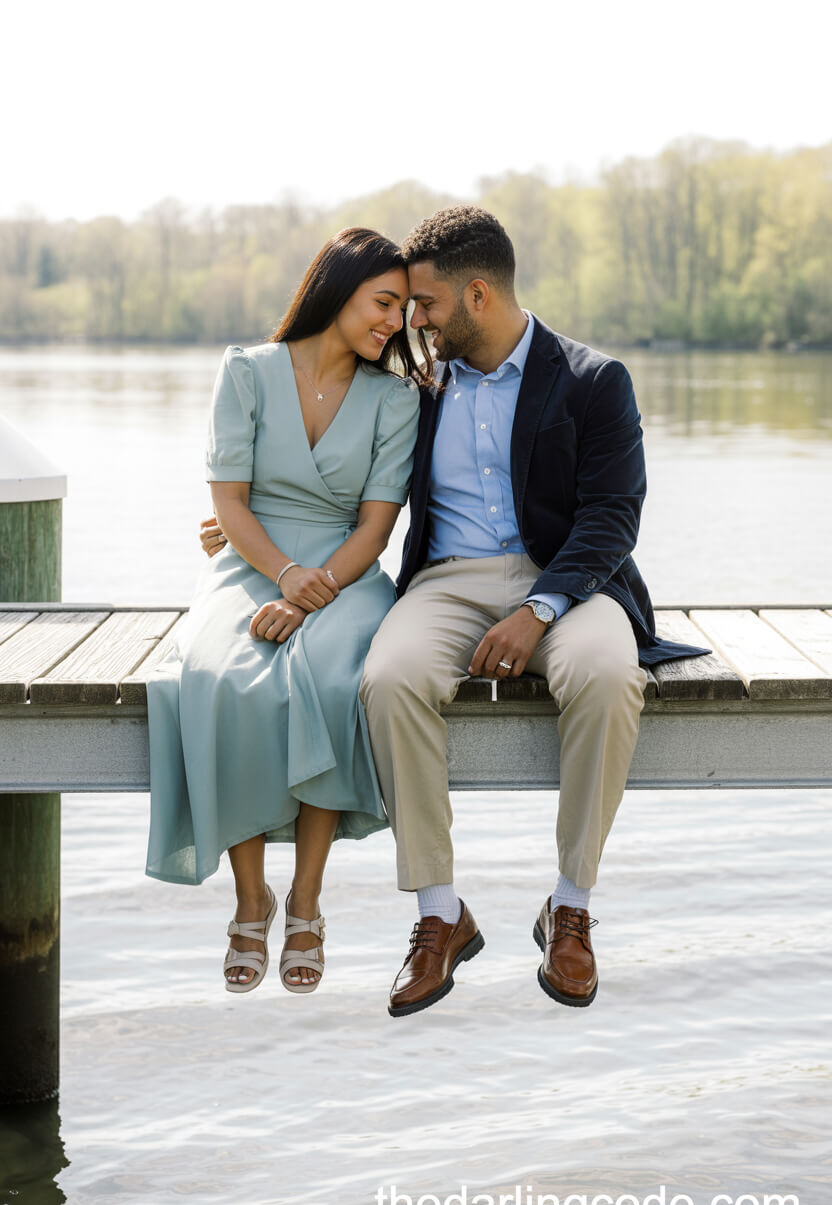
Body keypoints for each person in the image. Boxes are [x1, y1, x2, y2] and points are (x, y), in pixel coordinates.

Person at [355, 206, 710, 1016]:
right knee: (389, 675)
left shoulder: (593, 380)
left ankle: (571, 905)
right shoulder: (418, 380)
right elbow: (344, 458)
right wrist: (246, 524)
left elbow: (613, 516)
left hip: (568, 580)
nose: (415, 322)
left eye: (427, 306)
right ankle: (439, 915)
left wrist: (541, 609)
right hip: (445, 581)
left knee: (609, 671)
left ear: (477, 295)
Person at [146, 227, 426, 996]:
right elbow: (228, 505)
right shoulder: (245, 372)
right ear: (338, 289)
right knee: (221, 674)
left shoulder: (395, 398)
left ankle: (305, 898)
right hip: (252, 561)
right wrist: (282, 575)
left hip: (345, 571)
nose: (394, 324)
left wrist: (315, 591)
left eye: (403, 311)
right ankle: (250, 898)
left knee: (330, 679)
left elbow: (376, 527)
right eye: (383, 303)